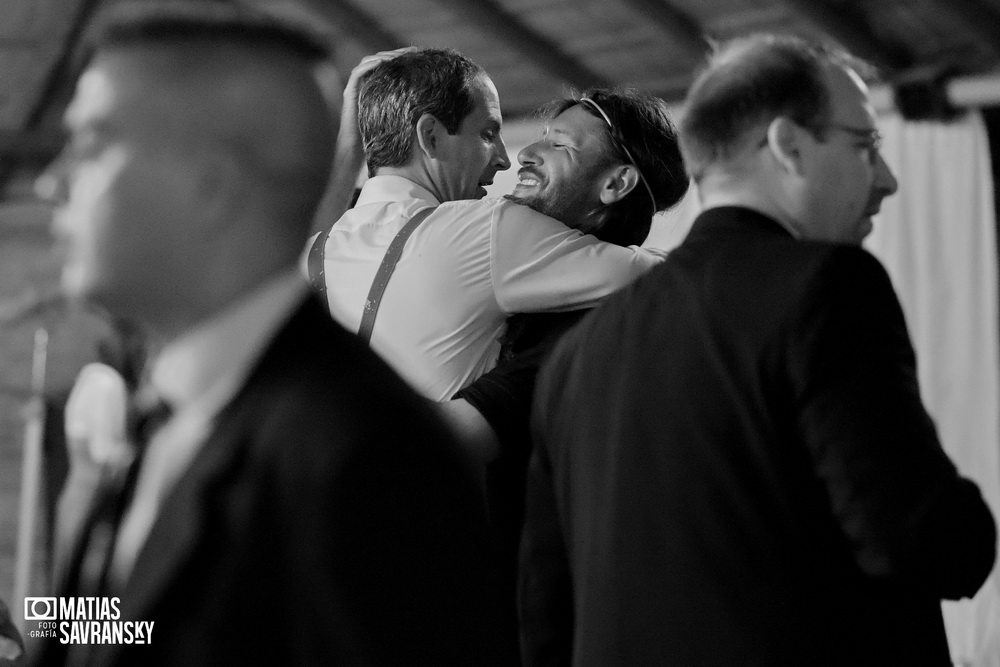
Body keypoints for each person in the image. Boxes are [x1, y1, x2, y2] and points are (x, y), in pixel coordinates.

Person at [31, 3, 514, 665]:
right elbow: (134, 625)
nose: (51, 181)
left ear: (211, 185)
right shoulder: (169, 410)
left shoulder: (365, 456)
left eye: (91, 143)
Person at [521, 33, 997, 666]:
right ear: (788, 146)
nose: (887, 180)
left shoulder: (581, 353)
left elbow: (546, 617)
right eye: (866, 145)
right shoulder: (828, 287)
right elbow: (917, 539)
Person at [313, 48, 666, 406]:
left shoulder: (306, 258)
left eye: (558, 144)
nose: (506, 157)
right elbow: (670, 274)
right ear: (431, 136)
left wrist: (351, 144)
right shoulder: (486, 230)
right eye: (487, 133)